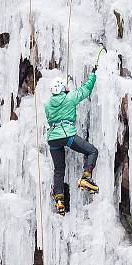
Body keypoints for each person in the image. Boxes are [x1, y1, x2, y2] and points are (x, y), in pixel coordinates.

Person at [44, 69, 99, 215]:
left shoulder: (47, 104)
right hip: (66, 135)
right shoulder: (69, 98)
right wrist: (93, 75)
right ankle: (86, 177)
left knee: (59, 170)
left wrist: (65, 90)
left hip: (53, 139)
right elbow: (85, 90)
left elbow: (56, 109)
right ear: (62, 88)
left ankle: (59, 199)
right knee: (92, 151)